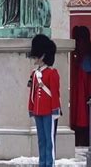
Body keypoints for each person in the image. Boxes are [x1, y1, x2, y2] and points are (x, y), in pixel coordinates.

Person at [28, 34, 60, 167]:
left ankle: (49, 163)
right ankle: (42, 163)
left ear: (42, 56)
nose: (34, 58)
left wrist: (55, 110)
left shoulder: (52, 73)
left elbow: (55, 93)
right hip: (38, 111)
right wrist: (31, 108)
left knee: (49, 141)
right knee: (41, 140)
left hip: (49, 112)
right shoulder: (35, 74)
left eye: (36, 55)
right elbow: (32, 94)